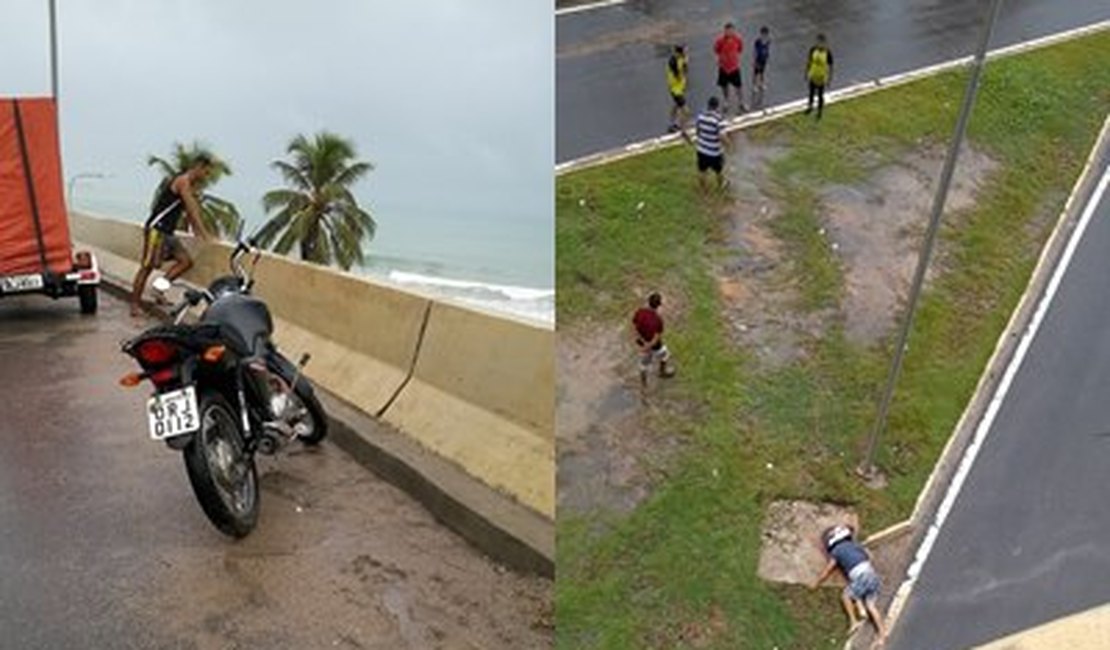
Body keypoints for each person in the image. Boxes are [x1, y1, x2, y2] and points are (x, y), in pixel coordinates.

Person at [130, 155, 215, 317]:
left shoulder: (190, 185)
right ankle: (134, 304)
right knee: (146, 267)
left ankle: (158, 289)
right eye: (206, 172)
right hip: (157, 229)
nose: (206, 176)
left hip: (168, 232)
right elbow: (191, 208)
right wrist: (204, 233)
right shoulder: (182, 181)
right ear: (198, 166)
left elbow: (188, 212)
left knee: (186, 261)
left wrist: (197, 232)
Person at [811, 524, 888, 646]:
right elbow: (869, 555)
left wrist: (816, 583)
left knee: (846, 596)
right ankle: (882, 634)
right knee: (871, 605)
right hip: (872, 574)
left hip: (861, 576)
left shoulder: (837, 551)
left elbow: (828, 570)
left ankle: (853, 622)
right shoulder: (855, 545)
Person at [632, 292, 675, 387]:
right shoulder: (657, 320)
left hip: (641, 343)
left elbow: (634, 327)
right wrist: (648, 347)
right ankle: (662, 372)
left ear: (648, 302)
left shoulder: (640, 312)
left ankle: (644, 384)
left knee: (643, 365)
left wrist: (642, 343)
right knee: (665, 355)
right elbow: (656, 339)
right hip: (655, 346)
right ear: (658, 305)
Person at [694, 96, 730, 193]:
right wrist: (728, 145)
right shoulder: (719, 120)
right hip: (714, 152)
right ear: (717, 106)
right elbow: (722, 136)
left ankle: (703, 188)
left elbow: (697, 131)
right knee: (719, 171)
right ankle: (721, 185)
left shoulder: (700, 116)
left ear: (708, 105)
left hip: (701, 149)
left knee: (702, 170)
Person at [713, 23, 745, 114]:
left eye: (731, 30)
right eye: (727, 31)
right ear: (725, 31)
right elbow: (716, 50)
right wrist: (722, 59)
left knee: (739, 86)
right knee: (724, 86)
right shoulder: (720, 41)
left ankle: (741, 102)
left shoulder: (738, 39)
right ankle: (726, 101)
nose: (729, 32)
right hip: (723, 68)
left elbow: (740, 50)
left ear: (734, 30)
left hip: (734, 67)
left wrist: (733, 58)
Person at [805, 33, 834, 120]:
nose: (819, 44)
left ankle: (819, 112)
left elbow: (831, 67)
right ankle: (810, 107)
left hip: (821, 77)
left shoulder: (828, 53)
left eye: (821, 42)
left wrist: (829, 79)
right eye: (818, 42)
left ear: (824, 43)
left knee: (820, 95)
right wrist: (806, 72)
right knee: (811, 93)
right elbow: (809, 61)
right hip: (813, 75)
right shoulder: (812, 50)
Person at [666, 44, 690, 133]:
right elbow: (680, 75)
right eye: (685, 51)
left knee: (676, 106)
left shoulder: (679, 59)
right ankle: (682, 128)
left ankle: (672, 124)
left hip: (678, 88)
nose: (686, 53)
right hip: (676, 90)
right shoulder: (674, 61)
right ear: (680, 52)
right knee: (686, 111)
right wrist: (685, 63)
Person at [752, 26, 771, 99]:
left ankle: (761, 84)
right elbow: (755, 51)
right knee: (756, 73)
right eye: (763, 34)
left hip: (764, 59)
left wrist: (767, 56)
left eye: (766, 34)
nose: (764, 35)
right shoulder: (757, 41)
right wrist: (754, 61)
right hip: (758, 59)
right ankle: (754, 85)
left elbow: (767, 49)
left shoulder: (768, 41)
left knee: (762, 72)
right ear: (761, 34)